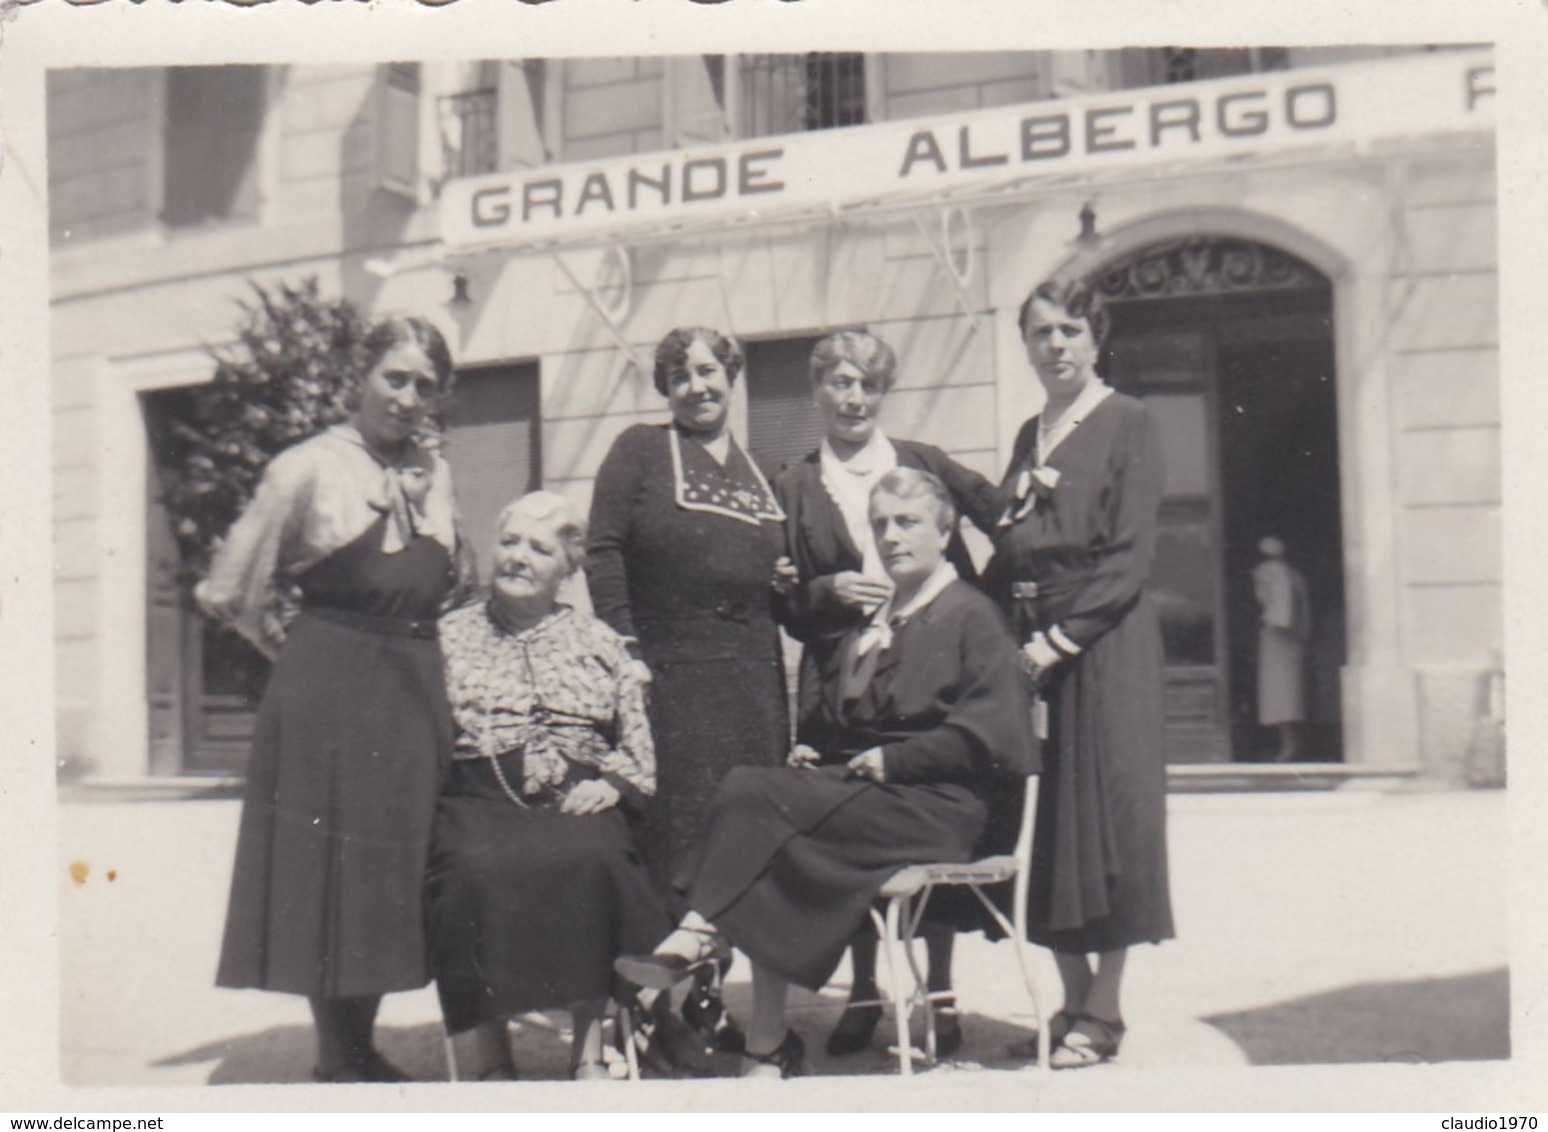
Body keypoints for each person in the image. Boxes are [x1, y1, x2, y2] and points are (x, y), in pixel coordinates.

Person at [615, 468, 1039, 1079]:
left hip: (943, 807)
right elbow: (860, 719)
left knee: (753, 794)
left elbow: (989, 734)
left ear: (945, 534)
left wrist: (896, 760)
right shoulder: (884, 618)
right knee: (765, 831)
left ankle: (701, 931)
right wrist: (822, 747)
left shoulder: (974, 616)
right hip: (878, 796)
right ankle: (765, 1045)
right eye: (882, 525)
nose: (892, 537)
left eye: (908, 523)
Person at [199, 315, 474, 1083]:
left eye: (426, 385)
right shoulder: (306, 467)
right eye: (396, 377)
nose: (410, 396)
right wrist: (293, 651)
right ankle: (339, 1054)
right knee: (331, 871)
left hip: (415, 688)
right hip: (330, 690)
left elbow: (456, 583)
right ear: (360, 376)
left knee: (392, 872)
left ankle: (360, 1043)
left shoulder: (438, 471)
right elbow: (228, 589)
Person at [772, 330, 1000, 1059]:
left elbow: (1001, 515)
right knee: (852, 833)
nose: (853, 399)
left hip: (927, 668)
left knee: (921, 810)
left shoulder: (921, 463)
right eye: (840, 383)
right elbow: (781, 602)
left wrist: (990, 607)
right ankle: (866, 990)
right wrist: (826, 588)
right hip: (841, 679)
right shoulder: (796, 483)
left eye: (867, 385)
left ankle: (938, 989)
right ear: (818, 392)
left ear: (882, 394)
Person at [981, 277, 1175, 1069]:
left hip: (1104, 644)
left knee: (1115, 817)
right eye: (1039, 333)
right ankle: (1069, 997)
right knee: (1051, 824)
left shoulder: (1128, 421)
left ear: (1095, 339)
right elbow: (1010, 544)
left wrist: (1058, 641)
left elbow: (1128, 558)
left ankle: (1106, 1008)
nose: (1054, 345)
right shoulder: (1033, 432)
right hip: (1034, 646)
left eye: (1068, 331)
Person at [425, 492, 672, 1081]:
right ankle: (492, 1056)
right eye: (510, 542)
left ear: (568, 567)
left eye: (539, 548)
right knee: (470, 871)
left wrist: (614, 782)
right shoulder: (448, 636)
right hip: (478, 797)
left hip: (577, 796)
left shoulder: (600, 641)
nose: (518, 557)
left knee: (595, 859)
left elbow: (637, 742)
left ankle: (587, 1049)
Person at [585, 327, 790, 903]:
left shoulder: (764, 474)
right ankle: (668, 985)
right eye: (681, 376)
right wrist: (624, 647)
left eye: (707, 372)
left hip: (753, 679)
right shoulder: (640, 450)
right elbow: (602, 551)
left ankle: (714, 981)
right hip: (672, 676)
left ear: (732, 378)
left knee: (744, 829)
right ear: (665, 388)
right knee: (678, 833)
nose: (697, 387)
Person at [1252, 536, 1313, 761]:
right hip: (1289, 637)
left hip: (1278, 636)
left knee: (1280, 694)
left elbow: (1277, 604)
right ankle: (1287, 743)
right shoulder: (1292, 574)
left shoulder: (1269, 572)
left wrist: (1276, 619)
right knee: (1286, 693)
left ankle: (1288, 745)